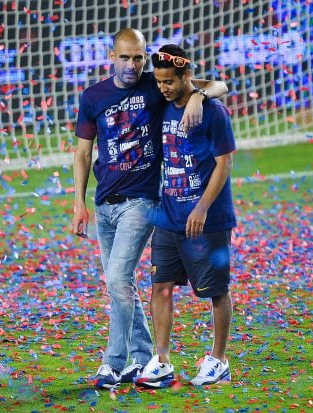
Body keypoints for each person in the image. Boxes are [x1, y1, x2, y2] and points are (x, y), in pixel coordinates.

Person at [72, 29, 228, 389]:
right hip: (104, 204)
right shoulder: (93, 96)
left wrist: (197, 98)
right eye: (125, 57)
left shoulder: (156, 85)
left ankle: (113, 363)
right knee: (121, 284)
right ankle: (145, 358)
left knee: (116, 280)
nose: (132, 64)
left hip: (141, 202)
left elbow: (219, 85)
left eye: (138, 57)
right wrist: (79, 203)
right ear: (112, 56)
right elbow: (82, 152)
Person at [135, 44, 236, 388]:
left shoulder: (215, 113)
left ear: (186, 76)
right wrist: (193, 94)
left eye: (169, 82)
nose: (163, 87)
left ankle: (219, 360)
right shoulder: (163, 105)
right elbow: (210, 83)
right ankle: (161, 361)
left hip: (207, 218)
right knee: (160, 286)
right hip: (169, 215)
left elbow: (225, 163)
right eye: (160, 81)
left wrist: (203, 207)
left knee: (215, 291)